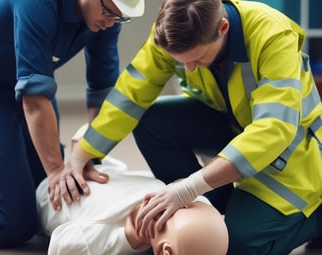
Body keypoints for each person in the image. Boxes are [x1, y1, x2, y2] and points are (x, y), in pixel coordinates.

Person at [51, 0, 322, 254]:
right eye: (182, 62)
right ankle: (211, 203)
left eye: (198, 59)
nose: (189, 69)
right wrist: (82, 154)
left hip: (293, 154)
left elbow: (274, 128)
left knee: (232, 245)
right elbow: (130, 94)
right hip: (233, 126)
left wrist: (190, 187)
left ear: (223, 28)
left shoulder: (273, 35)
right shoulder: (174, 29)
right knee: (152, 122)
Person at [0, 0, 145, 248]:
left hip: (33, 85)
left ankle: (0, 191)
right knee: (12, 225)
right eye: (107, 12)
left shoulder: (108, 17)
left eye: (119, 18)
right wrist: (56, 170)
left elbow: (101, 91)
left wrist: (87, 155)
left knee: (45, 198)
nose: (110, 22)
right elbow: (34, 98)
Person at [36, 151, 228, 255]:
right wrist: (125, 239)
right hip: (50, 194)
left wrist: (128, 238)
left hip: (98, 182)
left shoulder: (103, 226)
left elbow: (60, 245)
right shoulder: (102, 226)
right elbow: (60, 247)